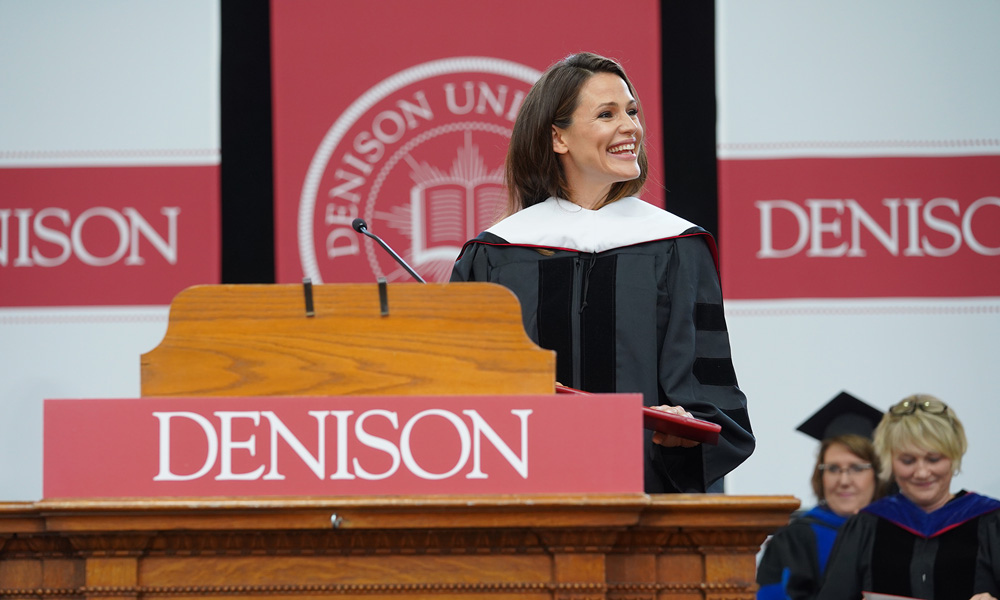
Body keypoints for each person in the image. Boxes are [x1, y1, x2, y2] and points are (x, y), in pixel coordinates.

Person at [449, 51, 754, 493]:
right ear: (559, 138)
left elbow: (710, 397)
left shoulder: (675, 246)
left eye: (631, 111)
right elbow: (460, 397)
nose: (631, 126)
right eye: (607, 114)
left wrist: (686, 428)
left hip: (648, 502)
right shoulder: (495, 255)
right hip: (526, 499)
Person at [817, 394, 1000, 600]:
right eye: (908, 460)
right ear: (890, 461)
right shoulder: (867, 526)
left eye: (933, 459)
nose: (921, 472)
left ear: (953, 456)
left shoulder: (991, 522)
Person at [756, 392, 888, 600]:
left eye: (856, 468)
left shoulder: (896, 533)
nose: (844, 480)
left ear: (877, 474)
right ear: (821, 474)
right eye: (834, 468)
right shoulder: (793, 540)